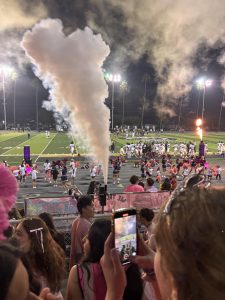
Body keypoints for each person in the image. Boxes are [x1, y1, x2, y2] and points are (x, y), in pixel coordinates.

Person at [14, 217, 65, 295]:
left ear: (33, 239)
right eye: (15, 233)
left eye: (19, 234)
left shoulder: (47, 267)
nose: (14, 238)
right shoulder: (17, 263)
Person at [66, 219, 111, 300]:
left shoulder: (78, 272)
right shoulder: (127, 269)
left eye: (88, 237)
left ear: (96, 243)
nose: (83, 240)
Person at [69, 195, 94, 268]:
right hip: (84, 264)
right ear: (84, 209)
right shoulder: (86, 225)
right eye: (92, 206)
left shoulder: (76, 221)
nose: (94, 209)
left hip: (76, 263)